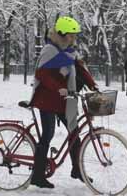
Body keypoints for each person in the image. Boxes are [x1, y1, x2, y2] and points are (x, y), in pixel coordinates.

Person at [30, 16, 97, 189]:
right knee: (48, 134)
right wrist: (59, 87)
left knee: (74, 133)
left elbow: (80, 68)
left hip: (63, 99)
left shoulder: (69, 51)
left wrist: (92, 85)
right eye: (71, 35)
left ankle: (77, 169)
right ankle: (37, 176)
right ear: (61, 34)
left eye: (75, 36)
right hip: (47, 99)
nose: (73, 39)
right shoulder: (49, 50)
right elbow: (41, 74)